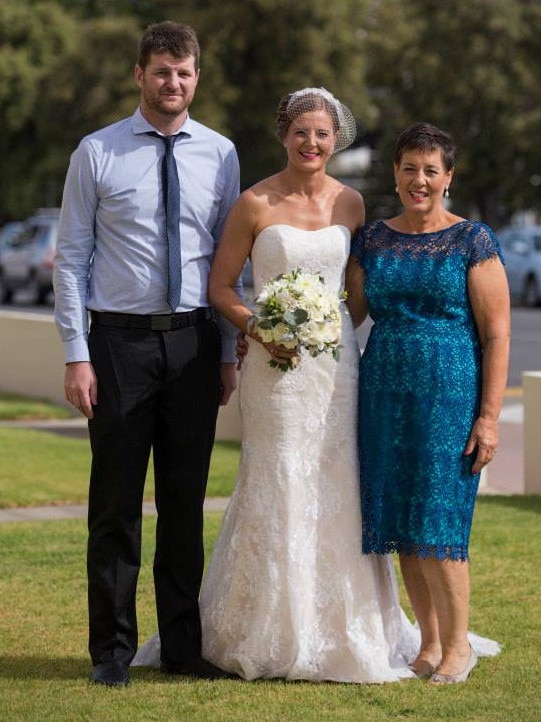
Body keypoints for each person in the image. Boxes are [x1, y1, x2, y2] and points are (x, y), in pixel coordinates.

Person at [196, 87, 422, 682]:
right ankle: (264, 629)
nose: (312, 143)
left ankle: (349, 629)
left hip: (337, 368)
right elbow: (221, 288)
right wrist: (258, 328)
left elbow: (355, 296)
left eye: (322, 134)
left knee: (338, 482)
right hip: (273, 374)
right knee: (275, 480)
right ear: (284, 135)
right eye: (302, 132)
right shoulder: (253, 202)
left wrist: (327, 330)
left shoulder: (350, 203)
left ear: (335, 138)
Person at [53, 21, 240, 686]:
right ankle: (111, 653)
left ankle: (184, 649)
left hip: (193, 342)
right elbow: (71, 258)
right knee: (115, 505)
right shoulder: (96, 153)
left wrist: (226, 353)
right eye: (161, 71)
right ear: (140, 75)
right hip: (117, 345)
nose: (173, 83)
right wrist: (77, 354)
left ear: (197, 77)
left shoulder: (220, 154)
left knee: (185, 503)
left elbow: (228, 259)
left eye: (184, 72)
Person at [347, 122, 510, 684]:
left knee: (441, 525)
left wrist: (488, 418)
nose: (420, 180)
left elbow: (496, 335)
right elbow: (350, 315)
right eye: (409, 168)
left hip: (450, 395)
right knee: (402, 522)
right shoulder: (370, 240)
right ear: (395, 172)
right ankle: (430, 641)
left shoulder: (473, 241)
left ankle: (459, 645)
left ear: (448, 177)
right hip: (384, 393)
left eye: (431, 170)